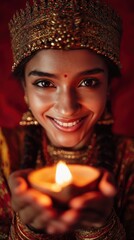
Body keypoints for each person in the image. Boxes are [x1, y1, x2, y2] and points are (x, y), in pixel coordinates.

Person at [0, 0, 134, 239]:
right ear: (25, 92)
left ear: (107, 89)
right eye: (45, 83)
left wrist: (101, 228)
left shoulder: (130, 159)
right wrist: (27, 229)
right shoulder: (4, 154)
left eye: (88, 82)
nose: (68, 107)